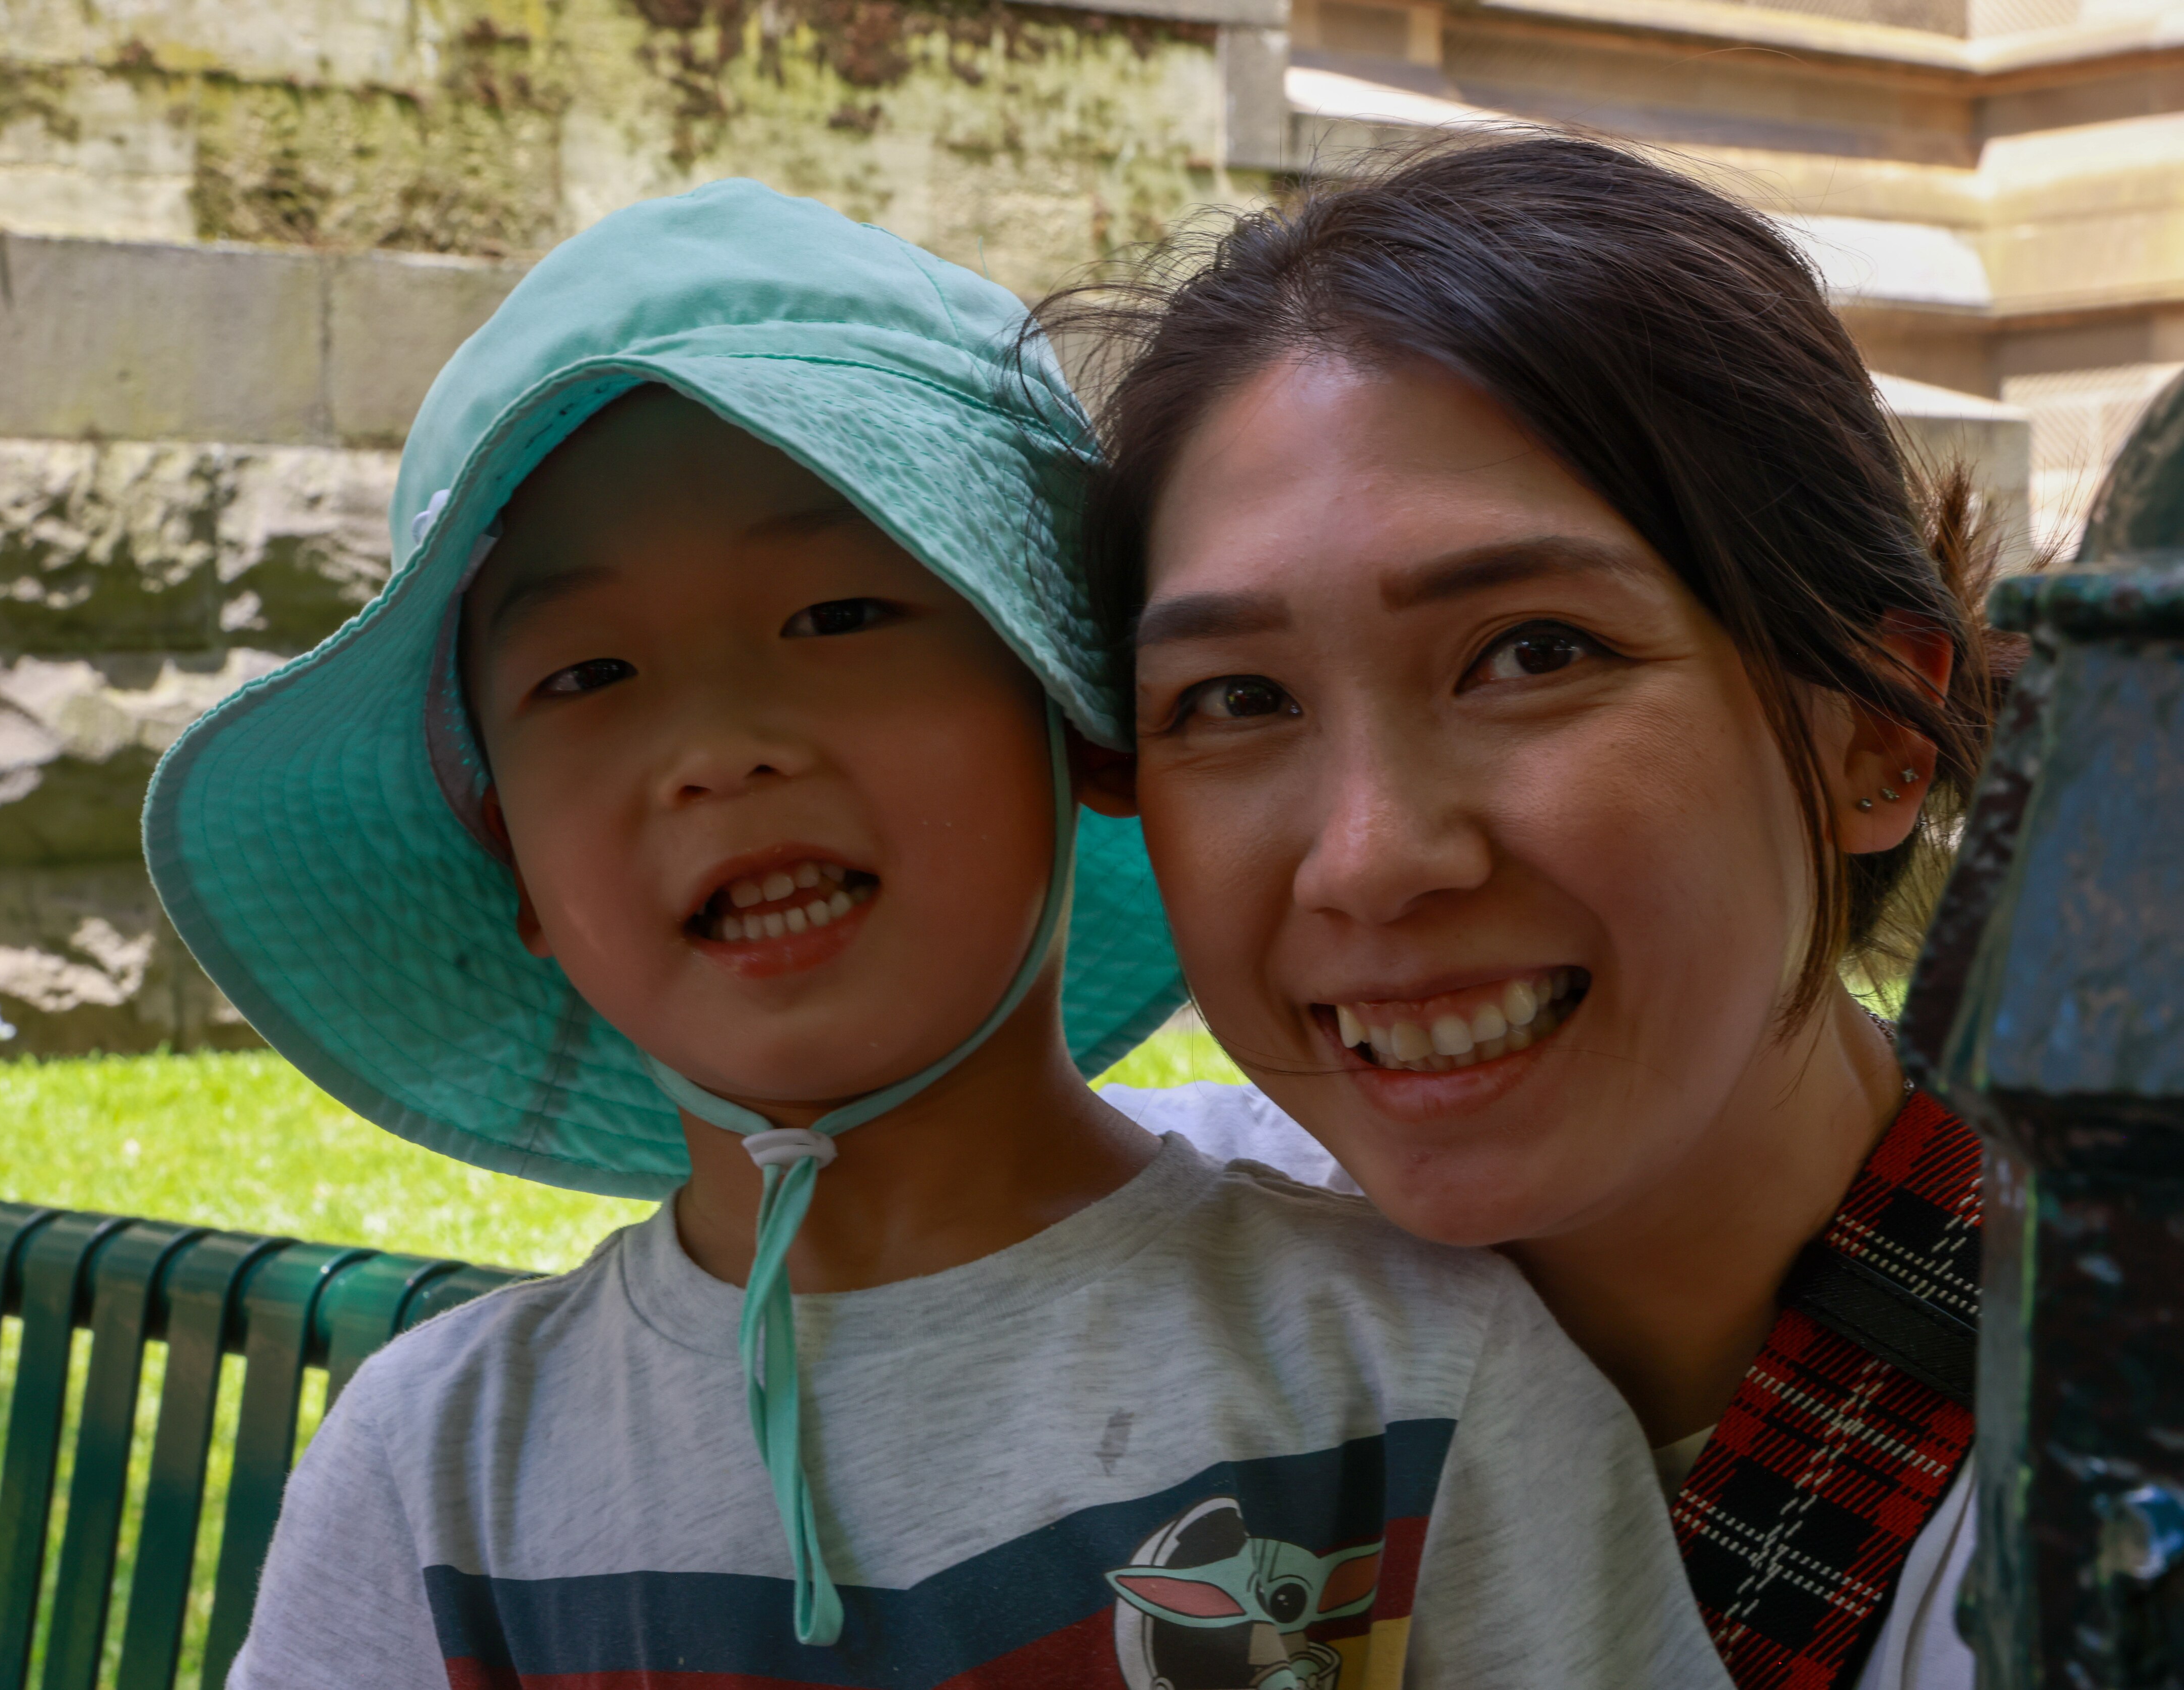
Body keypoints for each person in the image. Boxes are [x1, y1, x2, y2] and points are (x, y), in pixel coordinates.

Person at [144, 179, 1731, 1687]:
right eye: (586, 678)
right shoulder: (441, 1474)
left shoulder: (1399, 1381)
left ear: (1077, 729)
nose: (718, 747)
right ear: (518, 877)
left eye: (838, 618)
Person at [1069, 134, 2004, 1690]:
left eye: (1535, 654)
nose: (1370, 859)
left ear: (1876, 740)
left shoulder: (2104, 1430)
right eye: (1238, 697)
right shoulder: (1109, 1268)